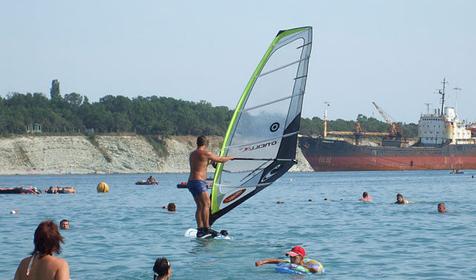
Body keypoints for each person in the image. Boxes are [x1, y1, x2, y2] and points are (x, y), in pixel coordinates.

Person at [188, 135, 233, 238]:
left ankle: (200, 228)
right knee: (206, 205)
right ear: (206, 144)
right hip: (199, 182)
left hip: (191, 182)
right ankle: (206, 228)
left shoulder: (193, 154)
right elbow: (221, 160)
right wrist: (231, 157)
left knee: (199, 206)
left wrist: (211, 162)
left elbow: (201, 164)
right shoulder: (206, 153)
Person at [255, 245, 324, 274]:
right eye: (290, 256)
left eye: (294, 257)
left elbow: (315, 269)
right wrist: (262, 262)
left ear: (301, 257)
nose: (291, 258)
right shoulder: (288, 262)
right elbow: (276, 261)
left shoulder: (308, 264)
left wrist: (302, 267)